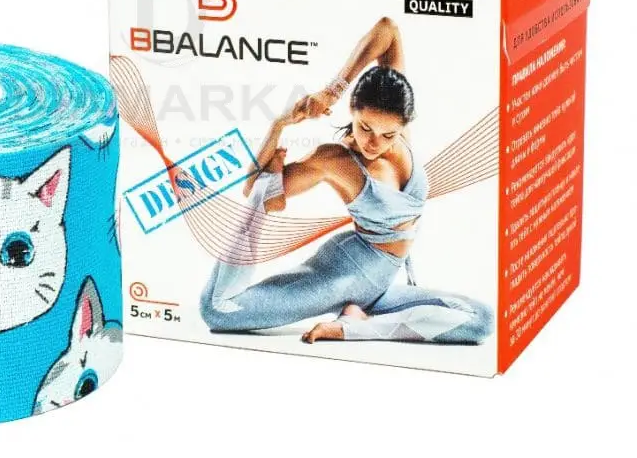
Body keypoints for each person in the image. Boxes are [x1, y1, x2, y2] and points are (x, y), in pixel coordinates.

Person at [199, 17, 493, 344]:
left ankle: (355, 320)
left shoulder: (396, 116)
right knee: (218, 311)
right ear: (352, 111)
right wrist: (280, 124)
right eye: (365, 128)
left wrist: (333, 89)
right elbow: (254, 190)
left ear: (403, 124)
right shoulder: (335, 161)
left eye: (388, 135)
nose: (374, 143)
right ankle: (352, 326)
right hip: (346, 274)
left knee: (481, 320)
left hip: (383, 283)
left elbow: (388, 30)